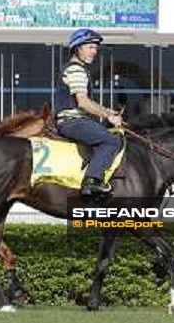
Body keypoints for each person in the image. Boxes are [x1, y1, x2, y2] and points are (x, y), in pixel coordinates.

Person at [53, 29, 124, 197]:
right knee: (111, 141)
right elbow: (83, 102)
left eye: (95, 48)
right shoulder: (76, 70)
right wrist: (109, 116)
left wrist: (108, 111)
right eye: (91, 47)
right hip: (72, 122)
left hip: (77, 120)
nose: (95, 51)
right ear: (78, 48)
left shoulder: (78, 69)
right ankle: (92, 182)